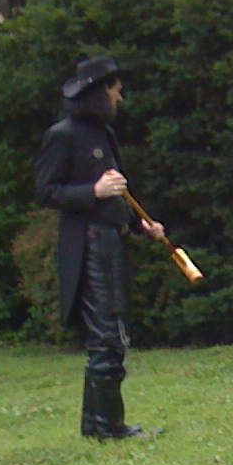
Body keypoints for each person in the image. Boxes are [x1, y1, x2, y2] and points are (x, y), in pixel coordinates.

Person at [34, 56, 166, 440]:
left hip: (111, 240)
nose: (120, 98)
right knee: (107, 337)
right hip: (88, 246)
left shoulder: (103, 134)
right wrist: (92, 191)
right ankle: (108, 427)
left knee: (110, 337)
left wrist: (140, 225)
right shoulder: (63, 135)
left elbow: (117, 195)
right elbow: (46, 191)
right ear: (98, 92)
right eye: (115, 91)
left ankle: (98, 425)